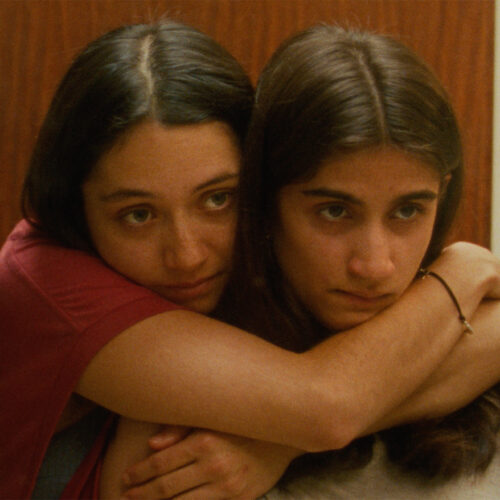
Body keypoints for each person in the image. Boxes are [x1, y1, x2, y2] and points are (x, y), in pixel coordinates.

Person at [2, 20, 500, 500]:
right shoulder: (46, 282)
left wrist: (276, 442)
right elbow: (327, 405)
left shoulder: (254, 284)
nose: (187, 256)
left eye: (217, 199)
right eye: (138, 215)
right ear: (75, 203)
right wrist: (465, 269)